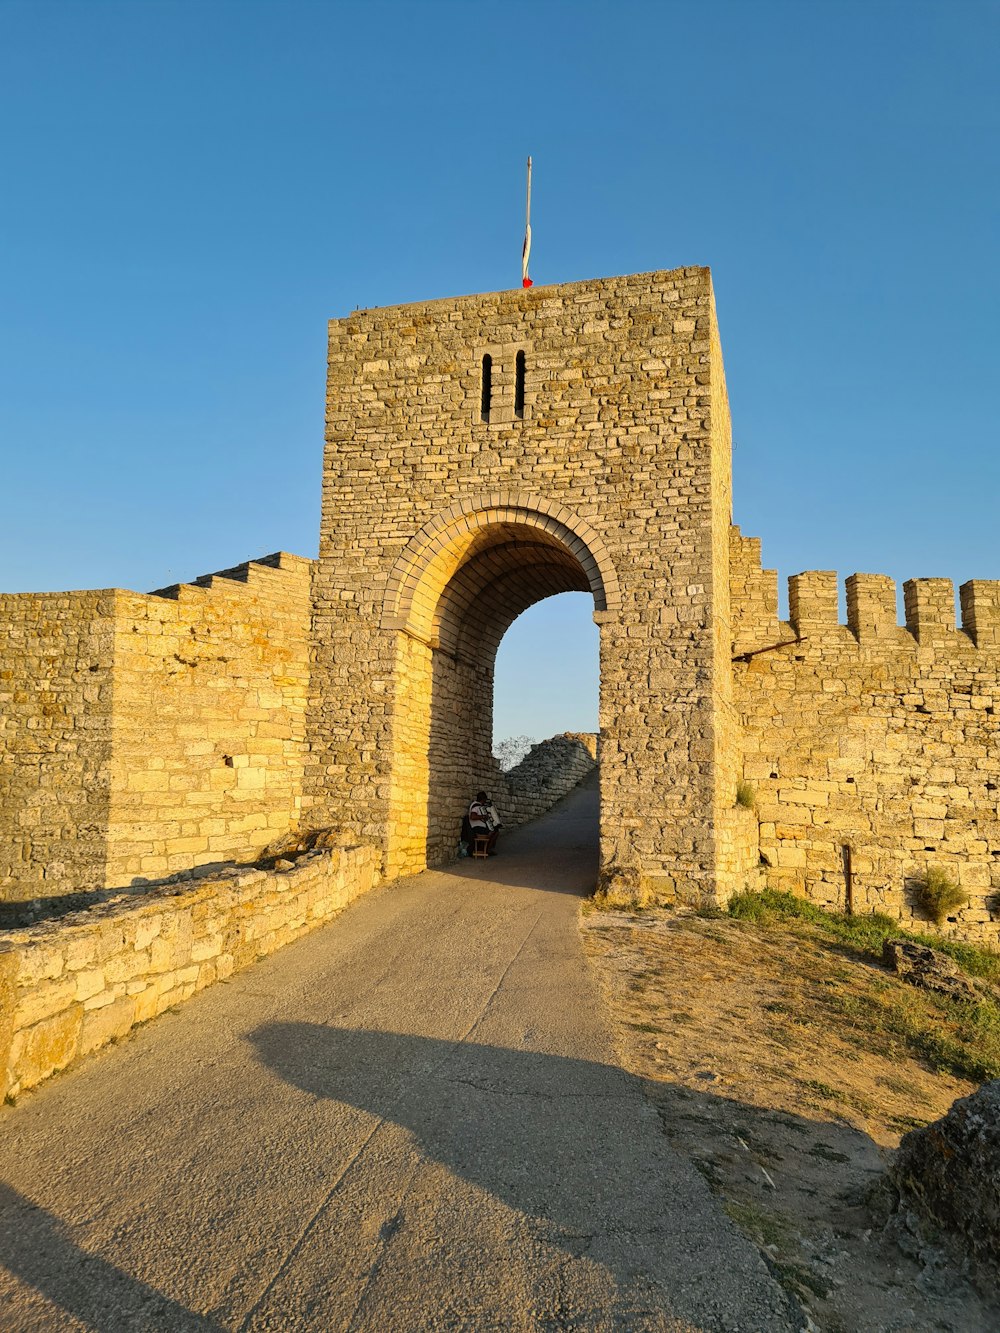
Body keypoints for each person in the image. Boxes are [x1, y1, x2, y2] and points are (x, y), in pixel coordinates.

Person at [467, 790, 501, 855]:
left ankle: (487, 849)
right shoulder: (475, 806)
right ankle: (485, 849)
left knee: (496, 831)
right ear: (483, 799)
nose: (485, 801)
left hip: (481, 827)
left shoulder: (479, 806)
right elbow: (472, 816)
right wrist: (483, 816)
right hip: (476, 827)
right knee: (492, 832)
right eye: (485, 800)